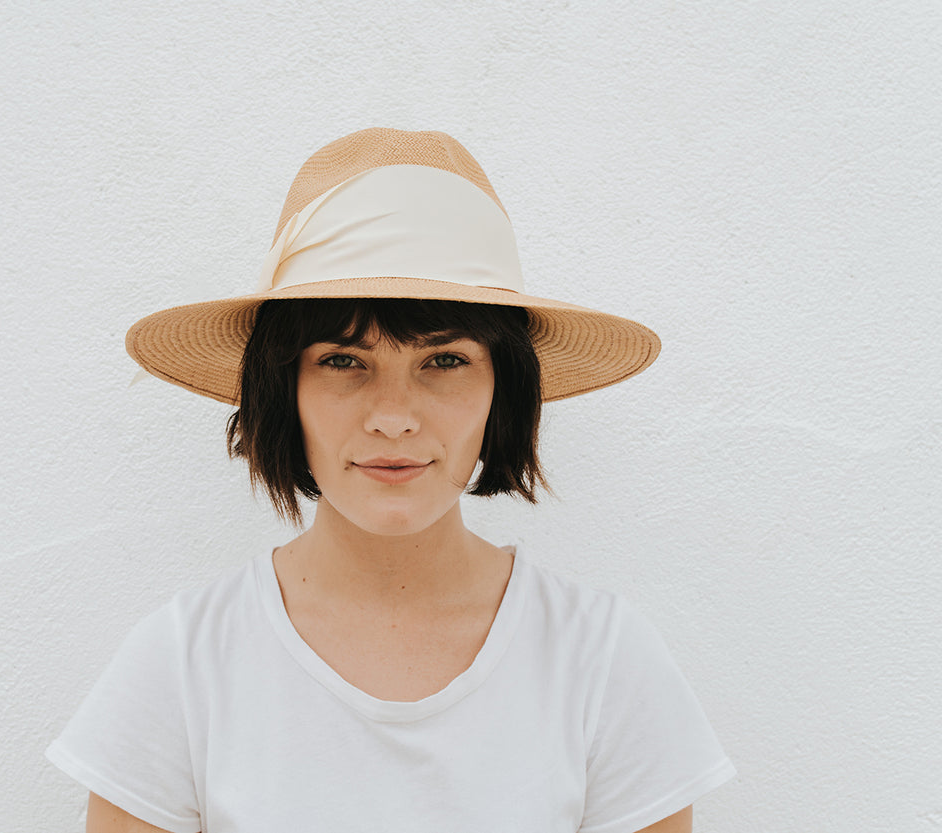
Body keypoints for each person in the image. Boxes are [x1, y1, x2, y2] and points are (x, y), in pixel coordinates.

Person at [46, 127, 735, 833]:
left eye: (444, 361)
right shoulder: (184, 661)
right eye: (345, 361)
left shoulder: (601, 658)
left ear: (505, 388)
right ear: (285, 389)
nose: (395, 418)